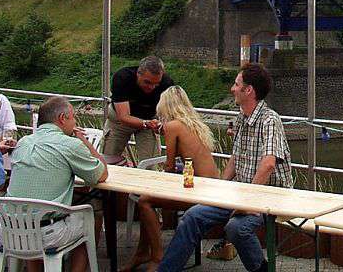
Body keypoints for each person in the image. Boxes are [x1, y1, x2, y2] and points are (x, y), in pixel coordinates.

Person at [157, 63, 292, 272]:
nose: (232, 88)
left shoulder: (270, 120)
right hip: (241, 193)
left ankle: (261, 269)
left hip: (270, 195)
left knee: (236, 228)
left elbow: (268, 164)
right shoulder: (241, 117)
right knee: (192, 217)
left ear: (249, 90)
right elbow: (235, 159)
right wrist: (219, 189)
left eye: (236, 84)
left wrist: (247, 200)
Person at [121, 86, 219, 272]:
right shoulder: (193, 123)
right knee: (148, 198)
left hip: (200, 191)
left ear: (165, 106)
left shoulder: (173, 126)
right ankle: (142, 252)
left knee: (145, 201)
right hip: (211, 184)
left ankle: (156, 257)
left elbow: (169, 166)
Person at [5, 97, 108, 272]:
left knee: (32, 216)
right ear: (62, 118)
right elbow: (101, 174)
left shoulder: (23, 142)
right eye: (73, 117)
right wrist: (83, 141)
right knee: (89, 216)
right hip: (47, 234)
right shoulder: (70, 144)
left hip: (10, 230)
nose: (75, 122)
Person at [103, 55, 174, 163]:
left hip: (149, 121)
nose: (152, 87)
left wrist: (161, 125)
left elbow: (168, 114)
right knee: (108, 160)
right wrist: (146, 123)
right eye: (147, 82)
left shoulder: (167, 83)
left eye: (156, 84)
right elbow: (123, 117)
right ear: (138, 73)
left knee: (150, 163)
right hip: (119, 122)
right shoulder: (123, 77)